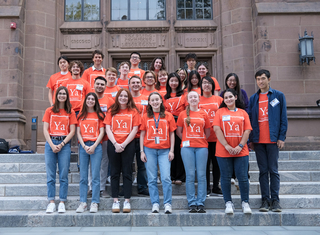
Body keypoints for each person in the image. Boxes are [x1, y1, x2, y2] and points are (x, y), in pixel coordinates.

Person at [248, 69, 288, 213]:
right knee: (263, 171)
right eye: (258, 79)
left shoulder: (278, 96)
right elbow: (250, 120)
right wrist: (251, 139)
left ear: (269, 79)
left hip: (272, 140)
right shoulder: (254, 98)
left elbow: (283, 118)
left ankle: (275, 200)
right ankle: (265, 200)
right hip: (258, 140)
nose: (260, 81)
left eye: (263, 78)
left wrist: (281, 137)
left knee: (273, 170)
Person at [213, 88, 252, 214]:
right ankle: (228, 202)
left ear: (235, 97)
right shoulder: (220, 112)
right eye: (226, 98)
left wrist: (240, 146)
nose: (228, 99)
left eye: (230, 97)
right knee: (225, 177)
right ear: (223, 100)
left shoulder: (243, 113)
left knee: (243, 177)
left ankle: (245, 202)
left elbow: (247, 130)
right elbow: (217, 129)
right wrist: (226, 145)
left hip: (241, 150)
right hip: (223, 150)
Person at [104, 89, 141, 213]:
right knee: (114, 172)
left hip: (128, 144)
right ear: (117, 97)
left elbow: (135, 129)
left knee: (127, 172)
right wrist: (115, 143)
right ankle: (115, 201)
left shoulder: (134, 111)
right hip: (113, 144)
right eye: (121, 96)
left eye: (126, 96)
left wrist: (124, 144)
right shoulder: (111, 111)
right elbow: (107, 128)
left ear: (129, 98)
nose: (123, 98)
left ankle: (126, 200)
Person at [140, 92, 176, 214]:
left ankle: (167, 203)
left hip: (164, 150)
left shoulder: (168, 116)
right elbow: (142, 134)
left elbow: (172, 134)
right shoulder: (145, 116)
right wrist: (141, 151)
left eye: (157, 100)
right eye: (152, 100)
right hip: (149, 150)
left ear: (161, 101)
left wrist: (172, 150)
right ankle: (155, 203)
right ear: (149, 102)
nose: (155, 102)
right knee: (152, 178)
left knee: (166, 177)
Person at [43, 86, 77, 213]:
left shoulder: (70, 111)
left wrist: (61, 144)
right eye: (60, 93)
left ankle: (62, 201)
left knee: (63, 175)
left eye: (64, 94)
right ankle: (51, 201)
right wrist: (52, 145)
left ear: (67, 96)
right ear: (56, 95)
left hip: (64, 145)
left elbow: (72, 131)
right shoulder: (49, 110)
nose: (62, 95)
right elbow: (45, 129)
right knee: (51, 175)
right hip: (50, 143)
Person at [176, 91, 211, 213]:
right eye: (190, 97)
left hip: (202, 147)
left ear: (199, 99)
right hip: (187, 148)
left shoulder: (204, 113)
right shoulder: (182, 114)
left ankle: (200, 202)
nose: (193, 99)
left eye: (195, 97)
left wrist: (198, 139)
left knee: (201, 175)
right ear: (187, 100)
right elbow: (179, 132)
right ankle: (191, 202)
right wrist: (188, 139)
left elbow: (207, 132)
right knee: (190, 175)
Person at [76, 92, 105, 213]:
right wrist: (83, 145)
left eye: (93, 99)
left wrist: (94, 145)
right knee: (83, 177)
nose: (90, 101)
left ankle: (94, 202)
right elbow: (78, 132)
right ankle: (83, 202)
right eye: (88, 99)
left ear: (95, 101)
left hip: (96, 146)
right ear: (85, 101)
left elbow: (102, 132)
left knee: (95, 175)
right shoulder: (81, 115)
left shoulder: (99, 115)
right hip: (83, 146)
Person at [220, 73, 250, 185]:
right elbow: (221, 109)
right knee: (230, 150)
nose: (231, 82)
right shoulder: (223, 94)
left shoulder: (242, 93)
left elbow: (247, 107)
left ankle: (245, 175)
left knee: (242, 150)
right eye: (229, 80)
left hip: (241, 125)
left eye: (234, 80)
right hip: (228, 127)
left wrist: (242, 118)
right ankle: (232, 176)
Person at [87, 77, 114, 199]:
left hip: (105, 137)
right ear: (94, 84)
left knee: (104, 163)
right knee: (91, 163)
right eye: (97, 84)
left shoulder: (110, 100)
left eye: (102, 84)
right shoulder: (89, 99)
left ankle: (102, 188)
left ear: (105, 86)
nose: (100, 86)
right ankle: (91, 187)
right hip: (90, 136)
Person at [199, 76, 223, 196]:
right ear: (201, 85)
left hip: (217, 137)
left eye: (209, 83)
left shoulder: (219, 99)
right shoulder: (197, 99)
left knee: (217, 163)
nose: (207, 85)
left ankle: (216, 186)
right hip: (202, 138)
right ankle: (206, 187)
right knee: (205, 164)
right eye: (204, 83)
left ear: (213, 86)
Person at [164, 73, 186, 185]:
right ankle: (171, 175)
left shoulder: (184, 96)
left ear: (179, 82)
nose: (173, 83)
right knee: (168, 151)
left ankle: (180, 176)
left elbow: (187, 110)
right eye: (171, 80)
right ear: (168, 82)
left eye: (176, 81)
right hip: (166, 124)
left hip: (179, 124)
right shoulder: (164, 96)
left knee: (178, 150)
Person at [129, 76, 149, 196]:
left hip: (142, 135)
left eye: (138, 82)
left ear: (141, 85)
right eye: (133, 83)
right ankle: (128, 187)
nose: (136, 84)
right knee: (127, 164)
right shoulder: (126, 98)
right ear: (129, 85)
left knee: (142, 165)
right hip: (128, 137)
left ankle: (142, 187)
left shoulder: (146, 99)